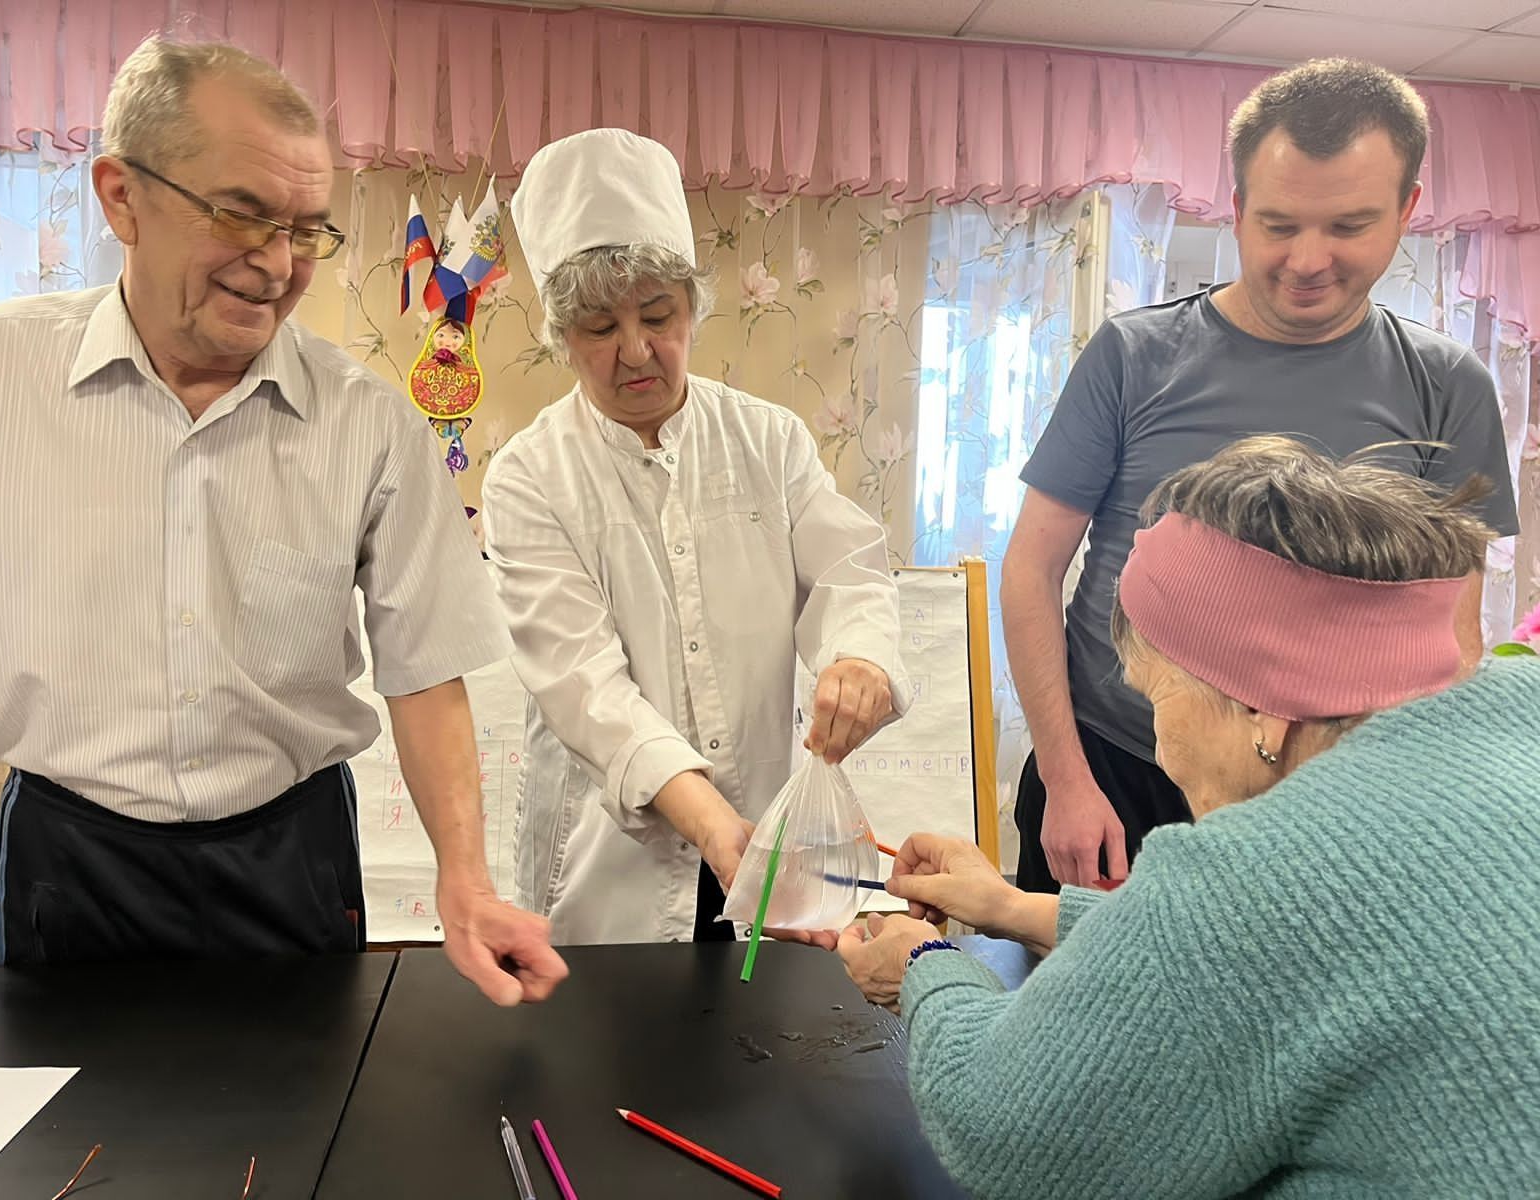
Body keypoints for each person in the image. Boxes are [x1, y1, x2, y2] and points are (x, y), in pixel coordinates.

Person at [0, 38, 565, 1005]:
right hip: (71, 858)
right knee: (67, 1152)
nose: (276, 265)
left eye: (306, 231)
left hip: (289, 854)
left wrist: (464, 878)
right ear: (120, 196)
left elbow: (425, 670)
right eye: (242, 215)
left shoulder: (366, 422)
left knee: (296, 1142)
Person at [840, 435, 1540, 1198]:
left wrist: (923, 967)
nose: (1162, 750)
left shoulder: (1265, 868)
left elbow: (1004, 1129)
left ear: (1263, 711)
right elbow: (1300, 959)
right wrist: (1013, 907)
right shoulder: (1514, 713)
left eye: (1157, 696)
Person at [1003, 57, 1519, 894]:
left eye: (1349, 225)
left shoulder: (1448, 386)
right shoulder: (1133, 358)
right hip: (1118, 774)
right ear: (1236, 210)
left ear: (1407, 211)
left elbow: (1449, 642)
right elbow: (1031, 570)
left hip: (1324, 807)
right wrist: (1066, 780)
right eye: (1279, 224)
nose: (1308, 260)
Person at [482, 128, 907, 945]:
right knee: (602, 1062)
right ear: (563, 336)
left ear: (692, 308)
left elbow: (850, 571)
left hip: (758, 840)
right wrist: (708, 819)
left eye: (657, 316)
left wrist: (858, 659)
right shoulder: (530, 478)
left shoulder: (767, 440)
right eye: (601, 328)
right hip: (607, 864)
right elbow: (584, 686)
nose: (636, 351)